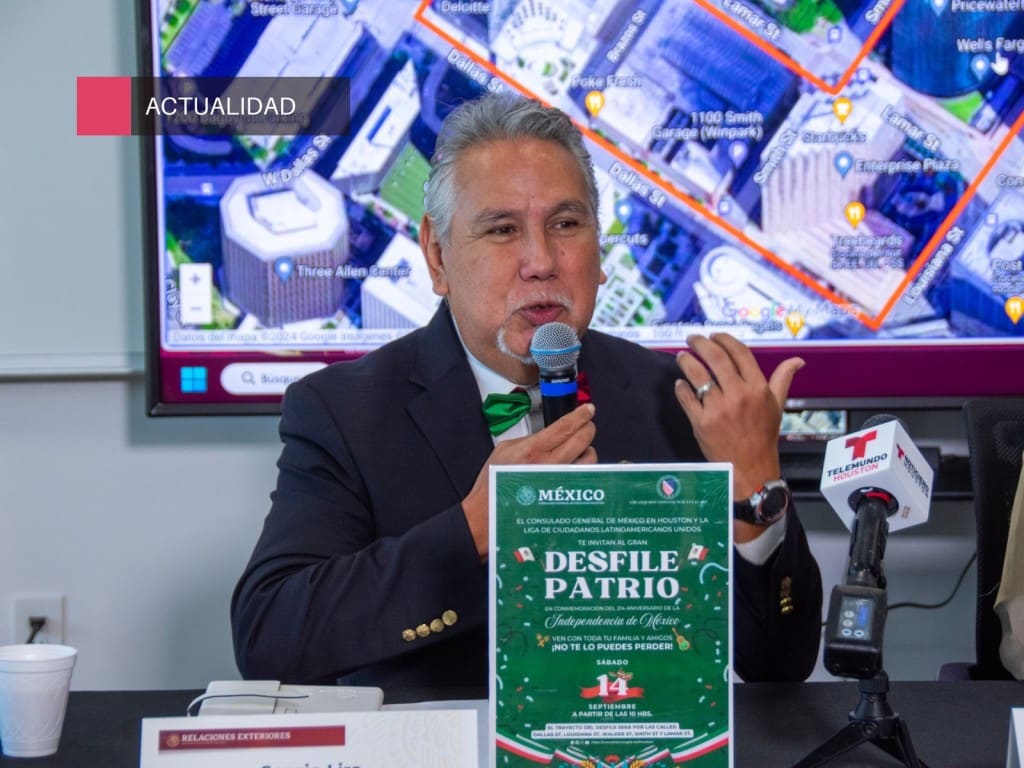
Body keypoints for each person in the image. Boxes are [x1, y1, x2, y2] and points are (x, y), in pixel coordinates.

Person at [231, 93, 823, 689]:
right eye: (503, 229)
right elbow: (270, 639)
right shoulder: (344, 412)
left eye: (566, 225)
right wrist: (473, 530)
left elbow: (780, 666)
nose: (541, 261)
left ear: (598, 248)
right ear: (437, 256)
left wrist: (756, 484)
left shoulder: (676, 400)